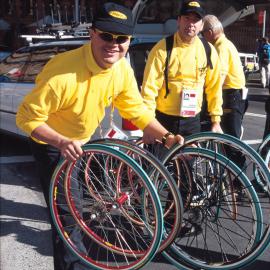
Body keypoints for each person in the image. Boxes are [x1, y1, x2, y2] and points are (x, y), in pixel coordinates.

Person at [16, 3, 183, 270]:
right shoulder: (62, 73)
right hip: (53, 145)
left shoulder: (121, 69)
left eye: (122, 39)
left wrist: (165, 135)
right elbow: (26, 118)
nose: (114, 45)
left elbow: (135, 109)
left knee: (78, 210)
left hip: (82, 142)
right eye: (106, 36)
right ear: (92, 34)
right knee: (68, 220)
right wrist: (60, 141)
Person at [141, 0, 223, 138]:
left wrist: (216, 120)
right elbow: (149, 89)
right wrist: (148, 125)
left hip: (193, 121)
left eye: (196, 20)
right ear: (178, 20)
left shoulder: (208, 50)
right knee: (160, 160)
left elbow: (214, 87)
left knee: (190, 160)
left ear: (202, 25)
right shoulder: (162, 49)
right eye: (186, 18)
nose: (191, 23)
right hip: (164, 120)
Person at [202, 15, 247, 170]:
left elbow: (218, 77)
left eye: (203, 33)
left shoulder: (220, 47)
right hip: (236, 95)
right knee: (230, 141)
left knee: (230, 143)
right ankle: (235, 182)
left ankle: (239, 184)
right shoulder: (227, 43)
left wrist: (209, 97)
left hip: (230, 95)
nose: (203, 37)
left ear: (209, 31)